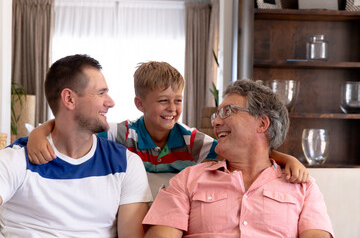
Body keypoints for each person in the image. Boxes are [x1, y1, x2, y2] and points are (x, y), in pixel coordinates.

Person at [26, 61, 307, 182]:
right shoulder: (123, 134)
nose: (172, 108)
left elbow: (243, 150)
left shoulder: (192, 141)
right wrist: (40, 131)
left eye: (178, 100)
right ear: (140, 104)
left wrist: (286, 160)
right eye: (163, 101)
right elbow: (78, 130)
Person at [143, 79, 334, 238]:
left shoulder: (303, 186)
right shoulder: (187, 180)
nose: (216, 122)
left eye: (227, 111)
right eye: (216, 115)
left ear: (262, 123)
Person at [0, 54, 153, 237]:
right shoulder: (17, 159)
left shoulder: (126, 164)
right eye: (101, 93)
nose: (110, 102)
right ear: (69, 99)